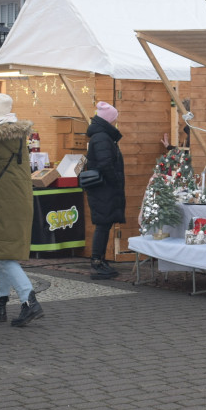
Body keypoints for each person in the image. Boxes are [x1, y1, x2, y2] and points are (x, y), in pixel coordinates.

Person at [0, 93, 44, 327]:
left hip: (4, 202)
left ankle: (29, 301)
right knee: (0, 253)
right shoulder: (14, 137)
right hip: (16, 201)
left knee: (3, 256)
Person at [85, 101, 126, 280]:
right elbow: (105, 164)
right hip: (104, 188)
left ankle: (99, 259)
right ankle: (96, 262)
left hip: (103, 188)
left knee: (105, 223)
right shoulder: (102, 137)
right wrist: (115, 181)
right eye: (114, 119)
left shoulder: (101, 136)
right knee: (103, 224)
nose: (116, 122)